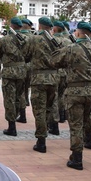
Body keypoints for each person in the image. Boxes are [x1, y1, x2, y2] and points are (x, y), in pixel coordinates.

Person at [50, 21, 91, 170]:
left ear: (78, 33)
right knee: (85, 120)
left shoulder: (72, 48)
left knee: (76, 125)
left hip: (75, 91)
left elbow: (54, 61)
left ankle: (77, 158)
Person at [24, 17, 61, 153]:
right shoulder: (56, 40)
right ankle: (48, 130)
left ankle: (41, 141)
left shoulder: (34, 39)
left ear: (39, 26)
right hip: (53, 77)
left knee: (39, 110)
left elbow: (26, 55)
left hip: (39, 78)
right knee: (48, 108)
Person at [0, 17, 29, 136]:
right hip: (22, 71)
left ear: (12, 25)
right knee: (19, 96)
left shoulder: (5, 39)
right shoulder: (27, 39)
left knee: (9, 98)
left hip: (9, 72)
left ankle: (12, 126)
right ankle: (20, 114)